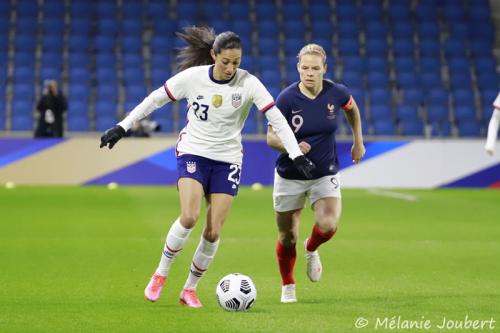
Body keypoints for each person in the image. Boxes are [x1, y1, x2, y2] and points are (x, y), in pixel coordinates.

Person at [99, 26, 315, 308]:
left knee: (213, 231)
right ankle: (161, 274)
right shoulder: (193, 78)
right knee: (189, 217)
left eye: (236, 62)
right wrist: (123, 126)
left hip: (227, 160)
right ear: (213, 55)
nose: (230, 68)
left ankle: (189, 289)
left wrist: (296, 154)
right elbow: (155, 99)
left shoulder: (249, 83)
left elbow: (275, 118)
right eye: (225, 61)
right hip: (194, 152)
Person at [266, 44, 366, 303]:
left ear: (325, 69)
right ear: (298, 67)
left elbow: (352, 110)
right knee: (287, 237)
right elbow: (270, 136)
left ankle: (311, 248)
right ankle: (288, 285)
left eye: (315, 68)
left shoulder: (337, 92)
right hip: (290, 174)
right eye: (304, 68)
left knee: (328, 224)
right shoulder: (286, 99)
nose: (309, 73)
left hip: (324, 172)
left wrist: (358, 141)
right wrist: (292, 147)